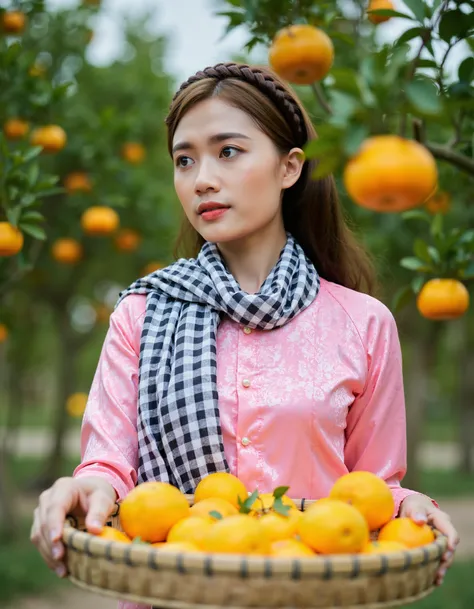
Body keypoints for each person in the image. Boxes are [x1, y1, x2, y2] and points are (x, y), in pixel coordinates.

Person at [31, 63, 459, 608]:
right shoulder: (141, 313)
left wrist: (408, 508)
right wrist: (87, 488)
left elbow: (374, 490)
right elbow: (109, 466)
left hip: (312, 593)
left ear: (289, 167)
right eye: (184, 160)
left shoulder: (363, 323)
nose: (202, 178)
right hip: (171, 594)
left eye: (227, 151)